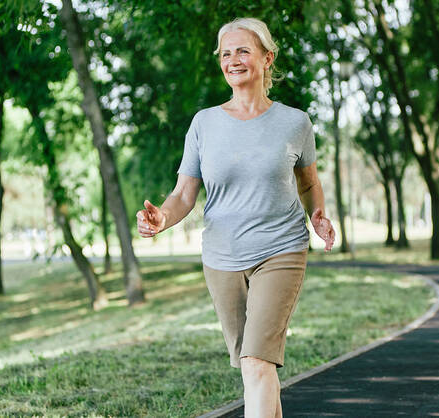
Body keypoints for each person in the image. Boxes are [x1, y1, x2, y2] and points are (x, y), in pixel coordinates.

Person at [136, 17, 335, 418]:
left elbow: (309, 182)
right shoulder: (204, 124)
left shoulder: (294, 122)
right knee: (252, 366)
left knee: (258, 362)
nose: (233, 60)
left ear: (267, 58)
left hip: (281, 249)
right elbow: (183, 195)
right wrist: (161, 220)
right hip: (222, 258)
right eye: (226, 54)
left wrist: (319, 214)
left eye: (243, 50)